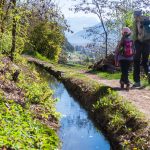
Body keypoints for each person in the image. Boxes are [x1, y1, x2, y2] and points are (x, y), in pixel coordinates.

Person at [133, 11, 150, 87]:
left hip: (139, 43)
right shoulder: (147, 19)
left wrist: (133, 44)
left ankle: (137, 82)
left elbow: (134, 35)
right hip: (148, 42)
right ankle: (149, 78)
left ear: (135, 15)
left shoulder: (136, 21)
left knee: (136, 62)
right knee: (145, 62)